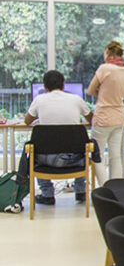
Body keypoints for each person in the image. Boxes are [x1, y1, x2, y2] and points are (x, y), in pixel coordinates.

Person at [24, 70, 94, 205]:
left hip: (46, 160)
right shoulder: (76, 99)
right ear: (63, 85)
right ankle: (80, 191)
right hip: (74, 159)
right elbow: (91, 119)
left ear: (44, 87)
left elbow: (27, 121)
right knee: (82, 151)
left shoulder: (39, 100)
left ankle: (47, 194)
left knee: (34, 154)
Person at [88, 41, 124, 183]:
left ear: (107, 52)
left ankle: (103, 188)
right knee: (115, 156)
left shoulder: (104, 68)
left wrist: (101, 92)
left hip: (103, 117)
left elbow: (90, 90)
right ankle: (115, 189)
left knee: (96, 155)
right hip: (119, 117)